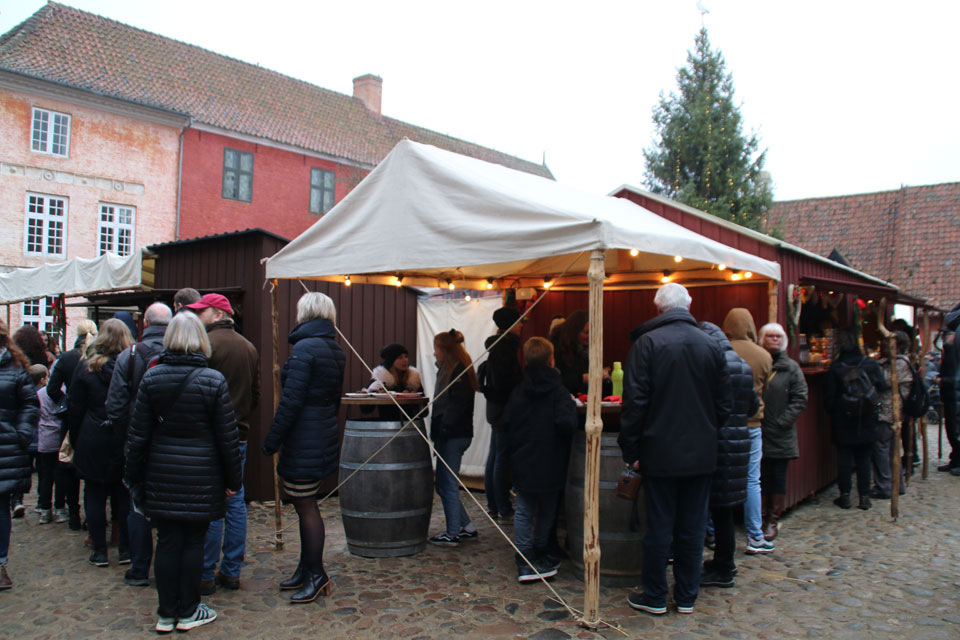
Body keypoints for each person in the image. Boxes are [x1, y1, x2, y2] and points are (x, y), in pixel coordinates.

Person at [125, 311, 242, 633]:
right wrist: (234, 481)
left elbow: (138, 435)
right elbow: (227, 437)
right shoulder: (213, 381)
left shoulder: (152, 377)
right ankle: (188, 610)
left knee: (166, 541)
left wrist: (133, 476)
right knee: (193, 542)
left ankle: (166, 613)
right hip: (202, 475)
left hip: (161, 473)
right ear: (200, 340)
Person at [618, 283, 731, 616]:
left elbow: (635, 404)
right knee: (693, 527)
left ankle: (654, 596)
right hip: (701, 453)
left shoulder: (647, 344)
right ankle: (686, 596)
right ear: (689, 305)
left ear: (658, 308)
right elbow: (725, 404)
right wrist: (707, 432)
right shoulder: (711, 345)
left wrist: (631, 448)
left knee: (659, 527)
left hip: (659, 452)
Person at [262, 292, 344, 603]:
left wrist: (272, 440)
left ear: (304, 313)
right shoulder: (332, 348)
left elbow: (291, 402)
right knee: (304, 503)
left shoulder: (305, 349)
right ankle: (305, 567)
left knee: (306, 505)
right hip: (320, 432)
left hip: (304, 436)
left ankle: (316, 574)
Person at [186, 293, 259, 594]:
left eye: (201, 311)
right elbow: (256, 396)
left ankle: (205, 573)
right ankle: (230, 571)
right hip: (238, 432)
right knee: (235, 500)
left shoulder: (206, 346)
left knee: (214, 502)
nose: (197, 316)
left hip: (210, 436)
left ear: (217, 313)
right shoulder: (249, 347)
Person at [105, 302, 172, 587]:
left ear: (144, 323)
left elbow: (116, 406)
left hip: (139, 442)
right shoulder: (181, 354)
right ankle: (169, 569)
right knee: (172, 507)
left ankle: (139, 568)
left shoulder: (128, 356)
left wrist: (128, 438)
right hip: (173, 445)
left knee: (138, 505)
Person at [502, 337, 576, 582]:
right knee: (547, 509)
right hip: (552, 457)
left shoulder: (518, 390)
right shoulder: (558, 391)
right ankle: (538, 552)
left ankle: (524, 555)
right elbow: (566, 424)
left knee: (524, 509)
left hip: (523, 457)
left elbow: (507, 423)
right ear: (551, 359)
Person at [68, 318, 134, 566]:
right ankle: (125, 548)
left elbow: (75, 408)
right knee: (123, 494)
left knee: (94, 495)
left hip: (93, 435)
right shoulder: (132, 366)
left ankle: (99, 550)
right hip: (122, 436)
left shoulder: (86, 367)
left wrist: (76, 439)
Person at [698, 322, 755, 588]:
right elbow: (754, 405)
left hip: (715, 441)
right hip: (739, 442)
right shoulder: (743, 365)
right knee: (724, 510)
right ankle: (724, 563)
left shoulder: (710, 365)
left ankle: (721, 567)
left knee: (705, 507)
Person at [721, 308, 774, 555]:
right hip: (752, 424)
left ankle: (711, 531)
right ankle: (755, 535)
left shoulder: (719, 352)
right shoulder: (763, 356)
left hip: (722, 426)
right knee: (753, 480)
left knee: (716, 478)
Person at [428, 329, 479, 547]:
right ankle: (466, 526)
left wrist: (443, 433)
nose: (434, 353)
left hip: (453, 434)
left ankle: (452, 533)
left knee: (447, 483)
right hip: (456, 433)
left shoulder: (456, 374)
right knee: (443, 483)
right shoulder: (454, 370)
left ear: (445, 351)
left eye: (436, 349)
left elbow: (455, 408)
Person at [757, 322, 808, 539]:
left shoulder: (791, 368)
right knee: (759, 476)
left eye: (778, 336)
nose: (774, 340)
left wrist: (781, 421)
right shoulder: (758, 363)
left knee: (776, 476)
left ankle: (772, 519)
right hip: (758, 430)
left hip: (780, 433)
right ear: (762, 339)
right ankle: (757, 516)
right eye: (770, 336)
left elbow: (800, 398)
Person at [825, 328, 885, 510]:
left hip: (843, 418)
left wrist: (835, 412)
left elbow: (828, 399)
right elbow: (882, 386)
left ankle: (844, 496)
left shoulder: (836, 368)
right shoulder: (870, 364)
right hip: (866, 417)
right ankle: (864, 497)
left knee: (844, 457)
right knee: (864, 458)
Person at [0, 320, 40, 590]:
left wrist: (22, 434)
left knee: (0, 507)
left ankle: (0, 562)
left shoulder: (14, 368)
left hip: (5, 447)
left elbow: (29, 404)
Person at [47, 319, 98, 530]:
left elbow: (52, 389)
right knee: (90, 472)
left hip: (71, 418)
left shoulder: (67, 358)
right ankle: (88, 517)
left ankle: (73, 514)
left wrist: (64, 404)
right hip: (93, 419)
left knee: (68, 467)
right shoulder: (98, 357)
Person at [481, 307, 523, 522]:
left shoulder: (498, 346)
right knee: (501, 458)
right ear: (511, 324)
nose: (522, 325)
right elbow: (505, 382)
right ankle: (502, 505)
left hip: (495, 407)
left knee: (495, 455)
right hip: (503, 408)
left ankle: (494, 503)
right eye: (519, 321)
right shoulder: (505, 348)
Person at [872, 330, 912, 498]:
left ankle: (885, 486)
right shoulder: (899, 362)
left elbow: (884, 380)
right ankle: (897, 484)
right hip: (892, 410)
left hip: (888, 410)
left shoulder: (899, 364)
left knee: (882, 449)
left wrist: (875, 366)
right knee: (891, 450)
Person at [31, 364, 62, 525]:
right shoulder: (56, 393)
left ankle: (44, 508)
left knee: (45, 476)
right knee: (59, 475)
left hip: (43, 438)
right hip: (57, 437)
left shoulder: (36, 396)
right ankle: (59, 507)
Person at [553, 310, 610, 396]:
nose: (590, 336)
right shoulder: (557, 348)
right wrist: (582, 378)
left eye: (593, 332)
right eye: (586, 332)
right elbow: (556, 380)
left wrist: (603, 377)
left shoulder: (586, 348)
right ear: (574, 331)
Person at [365, 342, 423, 420]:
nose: (405, 360)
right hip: (387, 425)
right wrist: (371, 393)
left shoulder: (413, 379)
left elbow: (424, 411)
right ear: (391, 361)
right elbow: (366, 409)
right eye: (400, 357)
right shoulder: (380, 379)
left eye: (406, 356)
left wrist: (416, 399)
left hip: (410, 425)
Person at [937, 302, 960, 475]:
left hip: (954, 392)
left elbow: (954, 375)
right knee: (952, 428)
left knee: (955, 428)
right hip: (951, 392)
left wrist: (941, 380)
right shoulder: (950, 349)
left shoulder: (953, 349)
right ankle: (955, 459)